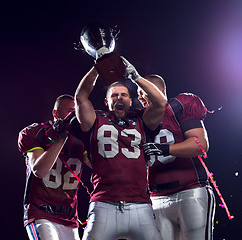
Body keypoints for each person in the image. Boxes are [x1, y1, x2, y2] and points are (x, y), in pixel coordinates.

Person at [70, 57, 166, 240]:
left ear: (131, 101)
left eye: (123, 95)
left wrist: (136, 76)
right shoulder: (95, 118)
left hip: (140, 206)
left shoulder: (141, 119)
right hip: (103, 204)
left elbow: (161, 103)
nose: (119, 98)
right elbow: (80, 97)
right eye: (114, 95)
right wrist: (98, 68)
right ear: (106, 102)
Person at [139, 74, 216, 240]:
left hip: (190, 190)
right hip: (156, 197)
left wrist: (164, 149)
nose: (139, 97)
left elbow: (200, 145)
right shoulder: (138, 119)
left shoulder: (179, 106)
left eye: (142, 91)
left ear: (156, 91)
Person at [18, 94, 91, 240]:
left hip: (70, 217)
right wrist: (61, 139)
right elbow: (40, 170)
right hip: (41, 213)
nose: (73, 116)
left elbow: (102, 168)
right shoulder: (37, 133)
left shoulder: (81, 140)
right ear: (55, 114)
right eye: (69, 111)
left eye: (76, 112)